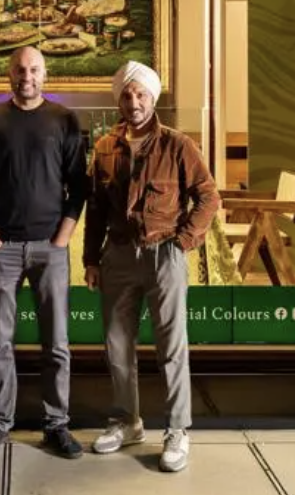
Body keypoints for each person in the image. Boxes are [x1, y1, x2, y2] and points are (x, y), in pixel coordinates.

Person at [83, 61, 221, 473]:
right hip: (119, 256)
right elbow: (95, 208)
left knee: (171, 348)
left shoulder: (179, 145)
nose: (134, 101)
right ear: (119, 100)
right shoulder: (106, 147)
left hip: (165, 255)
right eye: (126, 95)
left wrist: (182, 243)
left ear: (153, 98)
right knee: (117, 345)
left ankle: (177, 430)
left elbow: (208, 197)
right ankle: (127, 421)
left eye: (141, 94)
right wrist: (91, 259)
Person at [0, 46, 89, 460]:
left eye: (34, 69)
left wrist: (61, 240)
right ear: (9, 73)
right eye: (20, 69)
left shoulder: (65, 120)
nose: (27, 75)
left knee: (56, 343)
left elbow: (79, 186)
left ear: (45, 73)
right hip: (3, 249)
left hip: (49, 249)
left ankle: (57, 425)